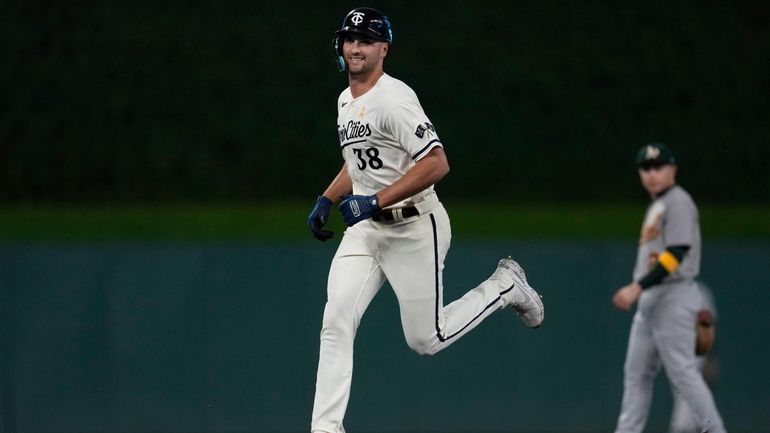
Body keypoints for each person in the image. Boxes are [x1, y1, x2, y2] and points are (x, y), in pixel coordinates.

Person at [305, 7, 544, 433]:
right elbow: (359, 162)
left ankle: (505, 285)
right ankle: (326, 428)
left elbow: (436, 163)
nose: (355, 47)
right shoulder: (345, 99)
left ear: (384, 49)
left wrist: (374, 201)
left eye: (365, 40)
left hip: (414, 226)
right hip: (366, 229)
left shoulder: (395, 98)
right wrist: (328, 197)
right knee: (336, 319)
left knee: (425, 339)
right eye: (349, 39)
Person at [611, 142, 726, 433]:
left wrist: (637, 287)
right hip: (651, 300)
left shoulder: (679, 202)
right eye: (646, 168)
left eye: (658, 167)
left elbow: (675, 254)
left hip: (672, 296)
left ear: (672, 169)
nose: (652, 173)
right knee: (636, 374)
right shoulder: (658, 206)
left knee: (685, 376)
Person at [669, 281, 720, 433]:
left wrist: (710, 356)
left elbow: (709, 324)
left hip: (695, 352)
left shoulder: (700, 292)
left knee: (686, 405)